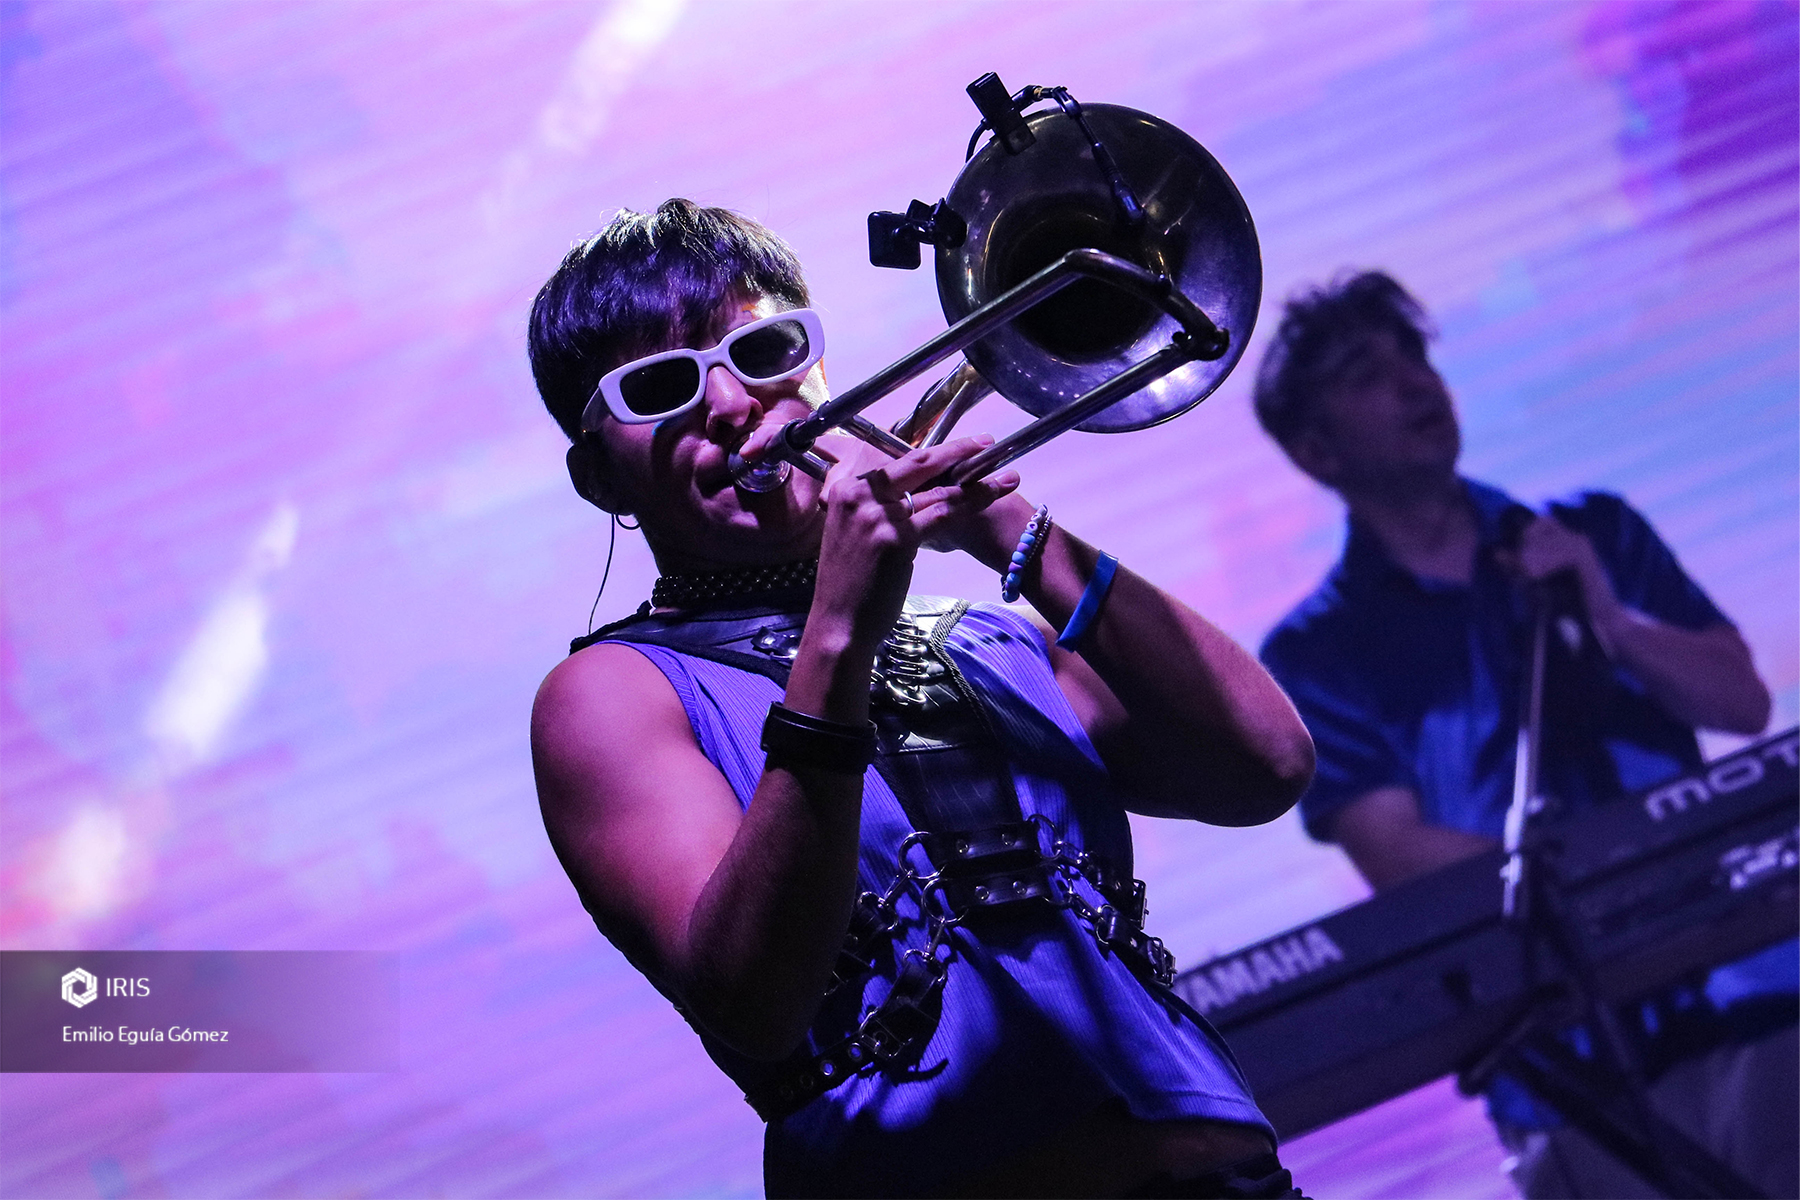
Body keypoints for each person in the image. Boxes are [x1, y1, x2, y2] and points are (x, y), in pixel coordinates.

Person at [524, 199, 1317, 1199]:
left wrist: (1008, 529)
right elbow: (755, 1000)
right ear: (599, 476)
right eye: (661, 386)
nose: (731, 404)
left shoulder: (985, 638)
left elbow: (1265, 765)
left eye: (764, 351)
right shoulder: (610, 694)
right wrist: (839, 630)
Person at [1251, 270, 1797, 1199]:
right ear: (1315, 449)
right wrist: (1626, 882)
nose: (1414, 381)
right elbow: (1397, 856)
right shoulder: (1316, 652)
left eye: (1414, 355)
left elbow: (1741, 702)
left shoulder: (1593, 532)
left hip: (1753, 989)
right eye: (1367, 373)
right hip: (1568, 1074)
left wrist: (1612, 621)